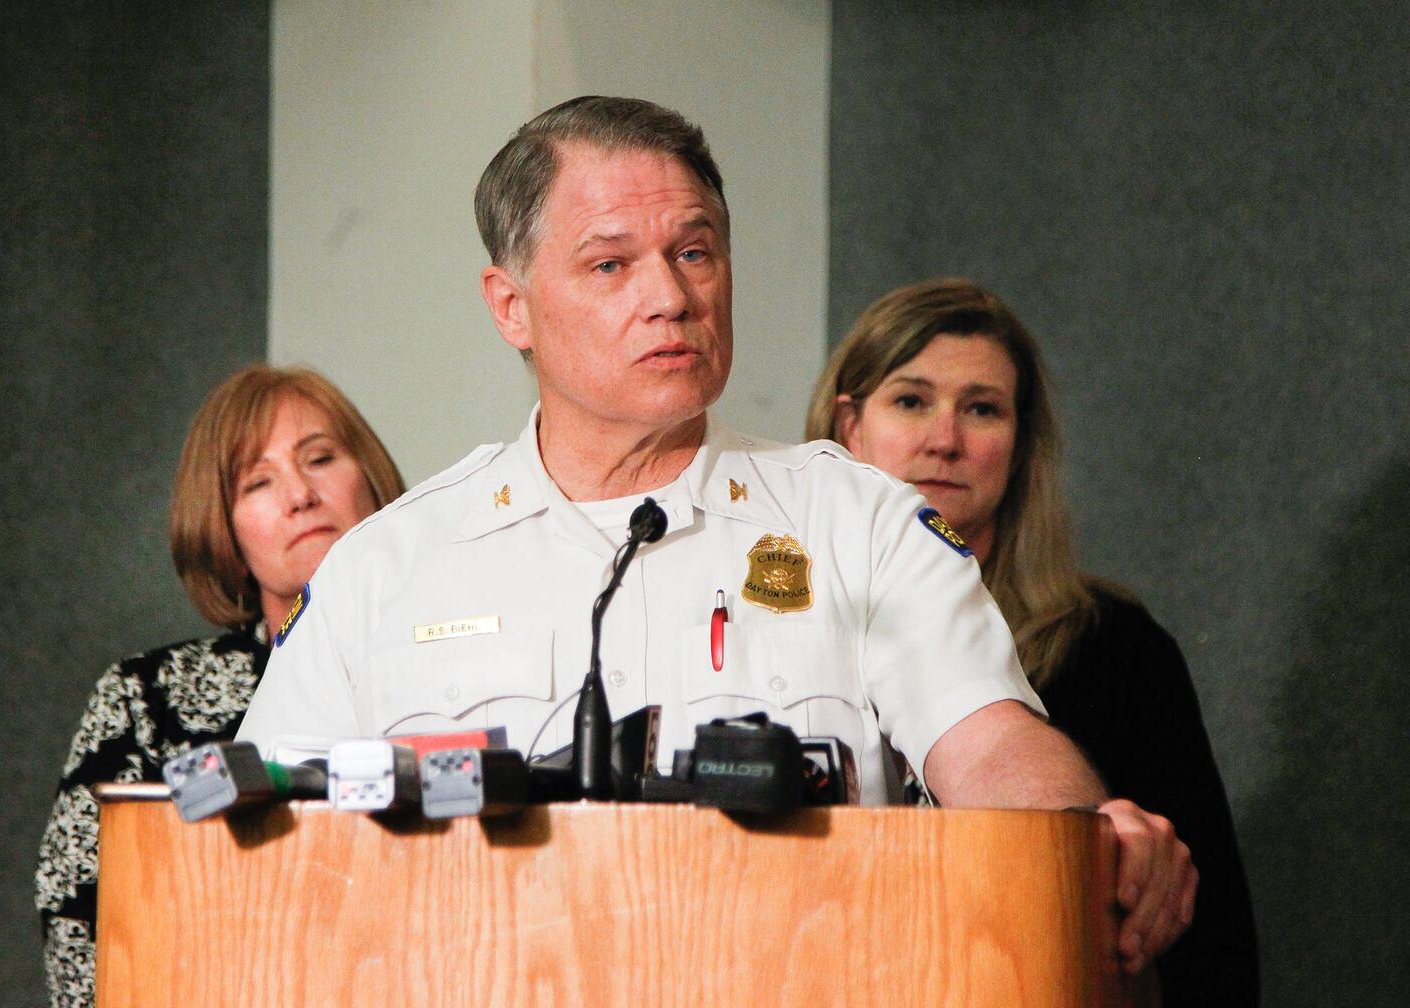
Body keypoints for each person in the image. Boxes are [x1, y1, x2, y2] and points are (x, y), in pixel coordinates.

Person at [236, 96, 1195, 975]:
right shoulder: (389, 565)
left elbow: (987, 740)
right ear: (511, 306)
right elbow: (252, 851)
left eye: (694, 253)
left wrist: (1082, 825)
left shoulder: (855, 521)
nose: (672, 296)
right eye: (611, 263)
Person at [807, 277, 1258, 1003]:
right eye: (912, 401)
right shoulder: (772, 632)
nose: (945, 440)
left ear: (1020, 445)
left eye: (981, 409)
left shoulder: (1115, 649)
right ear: (849, 427)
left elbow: (1208, 943)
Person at [33, 365, 404, 1008]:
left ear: (371, 483)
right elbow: (78, 907)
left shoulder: (461, 659)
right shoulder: (145, 698)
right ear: (225, 532)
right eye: (258, 482)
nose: (300, 495)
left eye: (320, 458)